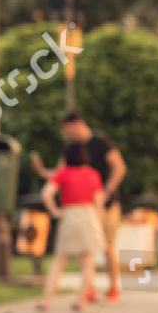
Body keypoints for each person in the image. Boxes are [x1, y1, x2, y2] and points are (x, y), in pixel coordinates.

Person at [32, 113, 127, 303]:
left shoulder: (101, 142)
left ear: (78, 124)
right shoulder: (72, 148)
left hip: (104, 203)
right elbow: (62, 173)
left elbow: (119, 167)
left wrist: (107, 190)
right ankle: (88, 291)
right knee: (87, 254)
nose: (66, 133)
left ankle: (113, 288)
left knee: (107, 247)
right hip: (88, 207)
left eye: (68, 129)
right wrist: (43, 172)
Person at [35, 143, 105, 313]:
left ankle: (47, 301)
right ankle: (81, 301)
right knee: (87, 261)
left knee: (59, 260)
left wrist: (55, 212)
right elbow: (99, 202)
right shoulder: (93, 174)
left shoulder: (63, 173)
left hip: (70, 214)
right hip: (89, 215)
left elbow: (46, 194)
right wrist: (99, 223)